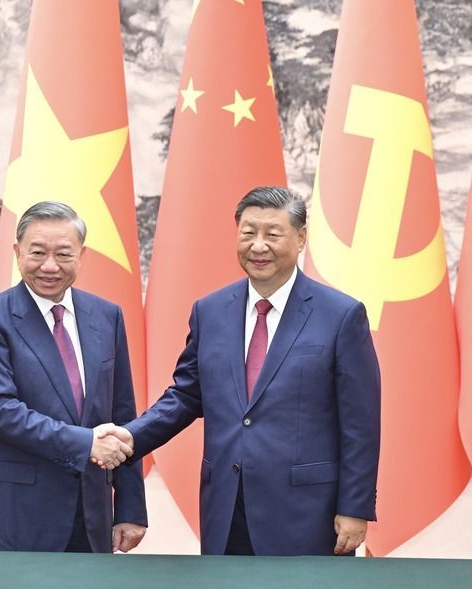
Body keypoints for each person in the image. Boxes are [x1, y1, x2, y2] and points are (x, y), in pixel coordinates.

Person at [102, 186, 380, 556]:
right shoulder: (210, 311)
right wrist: (129, 438)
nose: (258, 246)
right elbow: (185, 396)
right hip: (226, 506)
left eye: (272, 234)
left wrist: (355, 506)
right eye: (248, 233)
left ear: (300, 238)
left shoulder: (341, 315)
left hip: (307, 511)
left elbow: (360, 422)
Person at [0, 201, 147, 553]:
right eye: (37, 253)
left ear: (81, 255)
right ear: (17, 252)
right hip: (16, 518)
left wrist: (130, 507)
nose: (50, 266)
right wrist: (86, 443)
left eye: (63, 254)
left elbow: (122, 414)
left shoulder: (107, 316)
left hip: (91, 517)